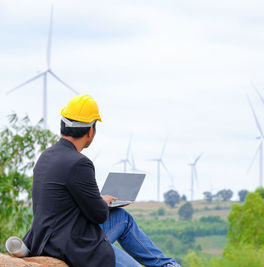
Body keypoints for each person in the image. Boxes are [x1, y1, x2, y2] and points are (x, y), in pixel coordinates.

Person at [23, 94, 180, 267]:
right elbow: (98, 215)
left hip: (43, 239)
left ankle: (167, 266)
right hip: (70, 246)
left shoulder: (46, 156)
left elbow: (62, 202)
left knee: (122, 218)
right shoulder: (79, 163)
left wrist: (99, 200)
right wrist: (102, 203)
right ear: (90, 131)